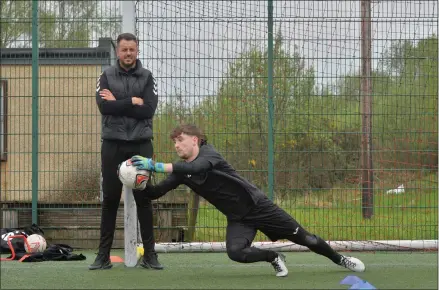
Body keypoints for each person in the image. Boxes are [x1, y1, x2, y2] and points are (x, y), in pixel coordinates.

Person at [129, 124, 366, 277]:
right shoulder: (181, 171)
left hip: (259, 207)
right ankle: (273, 257)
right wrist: (136, 182)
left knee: (307, 238)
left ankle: (340, 259)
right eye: (174, 142)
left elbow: (200, 167)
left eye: (180, 139)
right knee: (235, 252)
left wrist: (156, 165)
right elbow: (154, 193)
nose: (176, 145)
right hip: (238, 218)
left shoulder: (210, 154)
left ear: (196, 140)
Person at [90, 32, 163, 270]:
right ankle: (103, 257)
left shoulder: (147, 76)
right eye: (124, 50)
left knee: (144, 199)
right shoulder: (106, 75)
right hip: (113, 144)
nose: (128, 54)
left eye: (132, 49)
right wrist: (133, 101)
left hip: (141, 144)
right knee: (110, 200)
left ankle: (150, 256)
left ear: (137, 51)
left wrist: (119, 102)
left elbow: (149, 110)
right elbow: (104, 107)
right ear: (118, 52)